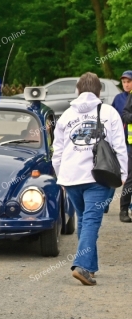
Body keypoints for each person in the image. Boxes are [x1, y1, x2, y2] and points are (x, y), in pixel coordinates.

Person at [53, 72, 127, 286]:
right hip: (100, 176)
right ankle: (82, 266)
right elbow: (119, 146)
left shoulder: (66, 115)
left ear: (78, 90)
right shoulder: (110, 112)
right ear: (99, 91)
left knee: (85, 220)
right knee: (92, 221)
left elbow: (57, 151)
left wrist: (61, 175)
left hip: (71, 177)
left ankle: (90, 268)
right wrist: (122, 174)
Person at [113, 70, 132, 222]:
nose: (126, 84)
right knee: (126, 177)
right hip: (126, 143)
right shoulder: (119, 99)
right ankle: (123, 210)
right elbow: (121, 115)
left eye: (129, 81)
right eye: (124, 82)